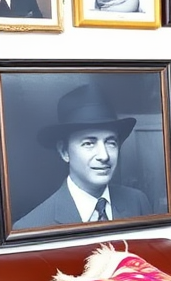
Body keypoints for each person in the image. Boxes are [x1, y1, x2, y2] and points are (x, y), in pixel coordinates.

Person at [12, 83, 152, 230]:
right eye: (89, 143)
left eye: (111, 142)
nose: (104, 156)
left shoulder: (138, 202)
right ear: (64, 152)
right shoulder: (32, 226)